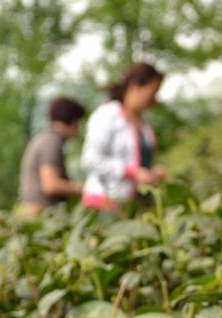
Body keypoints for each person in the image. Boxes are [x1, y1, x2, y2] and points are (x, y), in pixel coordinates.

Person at [80, 62, 166, 210]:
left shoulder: (144, 125)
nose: (154, 100)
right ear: (135, 87)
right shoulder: (107, 115)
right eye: (152, 93)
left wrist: (151, 174)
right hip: (106, 202)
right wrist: (131, 172)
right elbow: (90, 160)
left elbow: (139, 162)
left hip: (135, 204)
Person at [16, 97, 87, 217]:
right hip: (39, 212)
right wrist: (83, 188)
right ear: (73, 121)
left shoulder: (44, 138)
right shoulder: (52, 141)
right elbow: (51, 185)